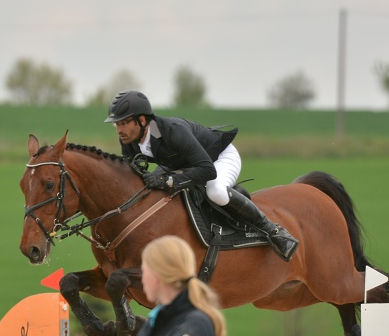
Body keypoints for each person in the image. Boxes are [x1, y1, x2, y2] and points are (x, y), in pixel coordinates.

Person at [105, 90, 298, 261]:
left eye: (124, 123)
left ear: (142, 120)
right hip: (184, 164)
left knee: (215, 192)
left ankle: (273, 230)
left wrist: (169, 180)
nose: (119, 130)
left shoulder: (172, 131)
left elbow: (207, 170)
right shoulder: (129, 139)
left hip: (218, 158)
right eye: (116, 124)